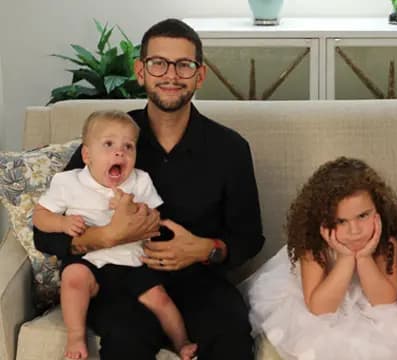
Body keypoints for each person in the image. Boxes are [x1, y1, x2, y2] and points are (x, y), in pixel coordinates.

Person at [34, 18, 264, 360]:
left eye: (184, 65)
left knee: (231, 334)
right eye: (159, 63)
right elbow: (44, 231)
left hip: (198, 282)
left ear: (199, 75)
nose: (171, 75)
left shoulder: (230, 148)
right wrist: (101, 238)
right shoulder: (109, 137)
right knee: (124, 339)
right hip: (117, 281)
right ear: (140, 71)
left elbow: (249, 237)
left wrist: (206, 249)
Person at [33, 110, 197, 360]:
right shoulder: (69, 182)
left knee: (160, 299)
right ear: (86, 155)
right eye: (108, 144)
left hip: (131, 261)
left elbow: (154, 218)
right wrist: (62, 222)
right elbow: (40, 216)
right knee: (73, 279)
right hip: (89, 260)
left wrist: (131, 208)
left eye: (128, 147)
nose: (119, 152)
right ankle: (76, 338)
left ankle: (182, 342)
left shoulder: (140, 181)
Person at [245, 157, 397, 360]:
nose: (355, 231)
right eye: (341, 221)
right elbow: (319, 308)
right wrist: (346, 258)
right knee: (321, 343)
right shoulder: (313, 247)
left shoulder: (385, 242)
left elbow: (385, 301)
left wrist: (365, 257)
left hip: (371, 307)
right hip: (324, 302)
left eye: (363, 216)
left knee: (394, 339)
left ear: (378, 211)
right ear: (322, 221)